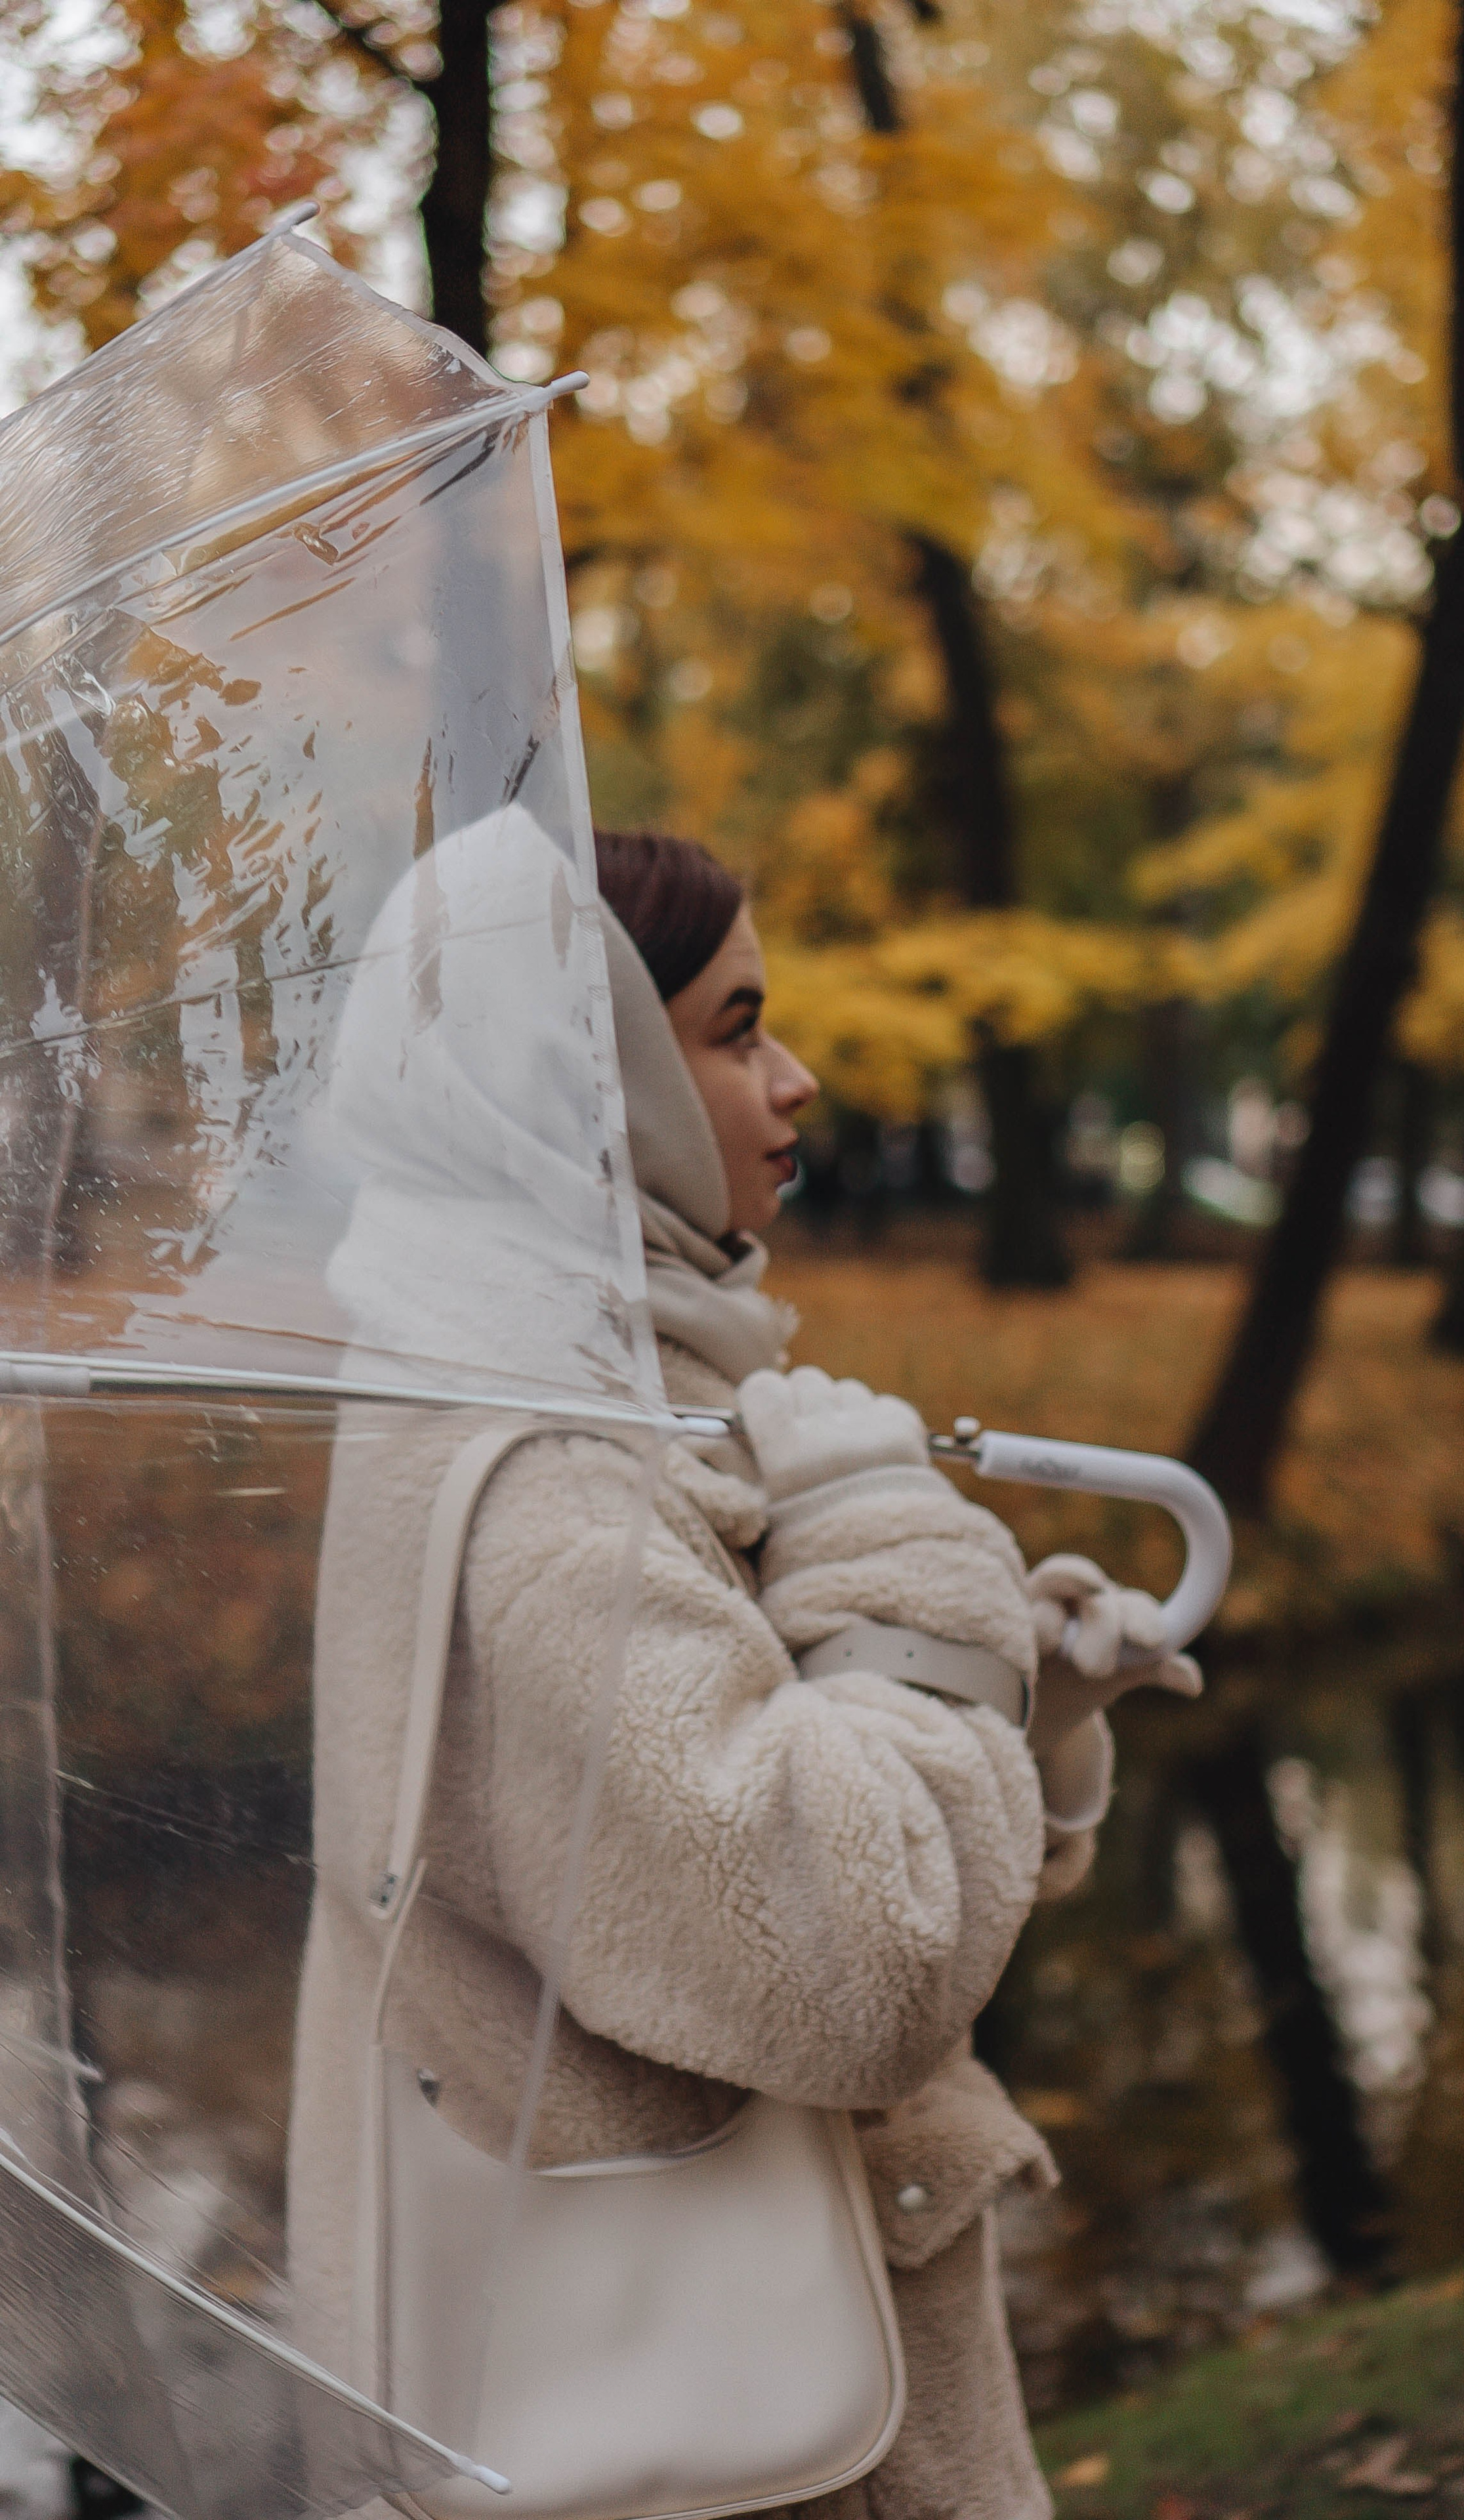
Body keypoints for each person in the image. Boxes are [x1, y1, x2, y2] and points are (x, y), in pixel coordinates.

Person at [289, 812, 1197, 2520]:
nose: (795, 1083)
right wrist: (893, 1546)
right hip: (766, 2459)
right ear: (587, 1076)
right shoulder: (548, 1475)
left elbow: (671, 1866)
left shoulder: (526, 1378)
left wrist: (1019, 1706)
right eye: (732, 1030)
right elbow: (859, 1958)